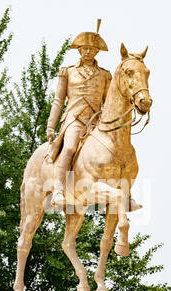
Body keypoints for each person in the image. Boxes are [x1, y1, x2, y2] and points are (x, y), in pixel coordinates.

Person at [46, 25, 111, 207]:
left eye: (91, 48)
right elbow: (58, 100)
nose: (87, 52)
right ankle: (58, 191)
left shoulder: (105, 75)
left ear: (97, 51)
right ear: (79, 50)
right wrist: (51, 126)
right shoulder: (68, 71)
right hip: (74, 119)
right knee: (69, 148)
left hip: (96, 122)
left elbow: (108, 103)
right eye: (84, 48)